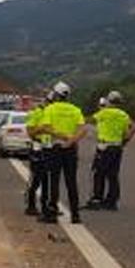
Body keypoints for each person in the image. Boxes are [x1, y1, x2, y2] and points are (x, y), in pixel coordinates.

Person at [38, 82, 87, 224]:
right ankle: (75, 215)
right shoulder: (75, 110)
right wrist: (71, 141)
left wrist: (60, 136)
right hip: (70, 149)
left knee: (54, 181)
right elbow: (83, 130)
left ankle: (52, 214)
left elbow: (46, 128)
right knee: (71, 182)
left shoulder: (50, 109)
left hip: (55, 148)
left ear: (56, 95)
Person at [85, 90, 134, 211]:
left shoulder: (103, 113)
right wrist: (124, 142)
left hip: (104, 147)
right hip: (117, 148)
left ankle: (96, 199)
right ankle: (112, 202)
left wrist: (102, 107)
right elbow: (130, 132)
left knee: (98, 173)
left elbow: (91, 119)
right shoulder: (124, 115)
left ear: (109, 101)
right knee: (113, 175)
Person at [24, 96, 52, 216]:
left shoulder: (52, 113)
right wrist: (42, 128)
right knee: (36, 178)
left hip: (49, 147)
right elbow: (30, 131)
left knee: (47, 179)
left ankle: (46, 206)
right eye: (50, 102)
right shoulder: (36, 113)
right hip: (37, 147)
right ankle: (31, 205)